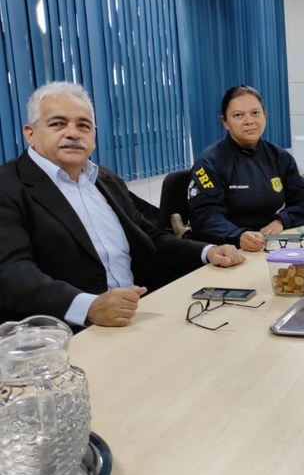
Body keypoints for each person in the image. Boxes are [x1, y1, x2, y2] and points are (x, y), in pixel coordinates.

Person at [0, 82, 245, 328]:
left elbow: (150, 236)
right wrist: (89, 307)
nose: (73, 133)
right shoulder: (8, 187)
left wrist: (206, 252)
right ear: (30, 133)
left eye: (83, 125)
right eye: (58, 124)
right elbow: (12, 274)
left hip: (141, 313)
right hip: (69, 332)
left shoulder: (105, 179)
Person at [188, 85, 304, 251]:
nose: (249, 121)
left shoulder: (279, 157)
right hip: (227, 251)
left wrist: (281, 221)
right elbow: (205, 218)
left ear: (265, 115)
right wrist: (238, 236)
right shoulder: (209, 162)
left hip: (269, 244)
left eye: (255, 113)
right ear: (225, 122)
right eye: (238, 115)